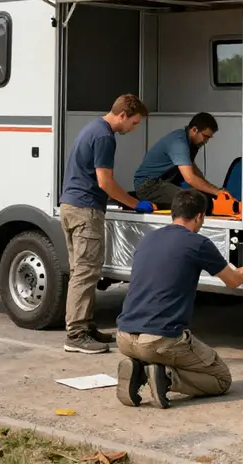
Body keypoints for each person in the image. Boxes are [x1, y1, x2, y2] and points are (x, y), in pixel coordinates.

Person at [114, 190, 243, 408]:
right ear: (199, 217)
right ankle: (166, 377)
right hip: (159, 340)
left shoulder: (148, 238)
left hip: (124, 336)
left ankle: (140, 370)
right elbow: (232, 281)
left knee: (157, 351)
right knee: (221, 379)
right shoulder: (198, 243)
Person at [59, 94, 151, 354]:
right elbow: (105, 182)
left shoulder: (92, 128)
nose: (133, 129)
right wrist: (133, 203)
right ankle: (76, 334)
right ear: (122, 115)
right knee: (86, 273)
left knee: (82, 271)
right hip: (85, 210)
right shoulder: (104, 137)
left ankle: (86, 327)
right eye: (134, 123)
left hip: (71, 206)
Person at [133, 112, 230, 211]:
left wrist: (215, 191)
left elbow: (194, 171)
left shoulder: (190, 142)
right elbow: (190, 178)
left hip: (162, 183)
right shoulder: (179, 143)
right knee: (192, 201)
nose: (206, 141)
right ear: (194, 130)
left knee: (203, 197)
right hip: (148, 186)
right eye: (205, 137)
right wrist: (216, 191)